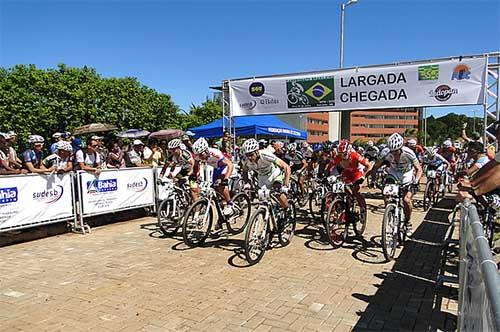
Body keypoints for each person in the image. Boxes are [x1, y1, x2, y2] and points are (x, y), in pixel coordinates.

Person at [372, 133, 422, 236]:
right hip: (393, 172)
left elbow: (419, 169)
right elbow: (376, 166)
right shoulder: (385, 152)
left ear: (401, 148)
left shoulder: (409, 152)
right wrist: (373, 179)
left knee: (406, 200)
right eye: (392, 151)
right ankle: (389, 211)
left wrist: (416, 181)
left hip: (407, 174)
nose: (394, 154)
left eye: (396, 151)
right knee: (386, 192)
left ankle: (408, 222)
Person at [241, 138, 291, 209]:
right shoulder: (246, 160)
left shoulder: (265, 154)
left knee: (278, 194)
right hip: (262, 179)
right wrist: (247, 183)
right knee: (263, 200)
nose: (249, 157)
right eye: (247, 155)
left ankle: (288, 209)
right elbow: (244, 171)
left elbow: (286, 167)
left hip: (274, 175)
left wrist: (286, 185)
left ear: (257, 151)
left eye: (251, 154)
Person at [192, 137, 234, 215]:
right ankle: (221, 214)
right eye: (198, 155)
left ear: (206, 150)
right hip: (216, 169)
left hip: (224, 167)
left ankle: (229, 204)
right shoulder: (198, 155)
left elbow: (230, 164)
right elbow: (195, 166)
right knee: (214, 190)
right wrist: (194, 175)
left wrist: (226, 178)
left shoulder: (215, 153)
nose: (200, 157)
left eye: (201, 154)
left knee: (220, 184)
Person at [327, 139, 372, 214]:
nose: (342, 157)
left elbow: (369, 166)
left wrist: (363, 177)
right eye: (340, 154)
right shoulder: (338, 157)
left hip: (357, 172)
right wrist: (326, 176)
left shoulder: (355, 155)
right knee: (341, 188)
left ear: (348, 151)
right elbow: (330, 166)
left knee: (356, 191)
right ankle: (343, 204)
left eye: (344, 154)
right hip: (347, 172)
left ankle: (362, 208)